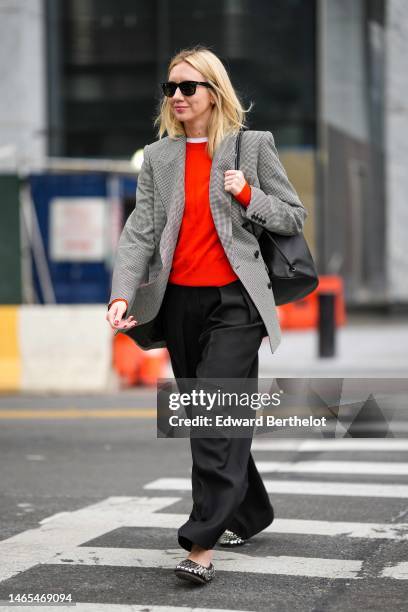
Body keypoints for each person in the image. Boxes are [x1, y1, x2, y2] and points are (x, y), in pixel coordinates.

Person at [106, 45, 308, 585]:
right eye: (170, 87)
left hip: (237, 301)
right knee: (212, 415)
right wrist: (124, 291)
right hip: (180, 305)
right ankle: (251, 510)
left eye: (187, 87)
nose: (176, 96)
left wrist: (247, 194)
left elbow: (293, 215)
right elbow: (140, 232)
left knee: (214, 414)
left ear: (213, 93)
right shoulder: (159, 158)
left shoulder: (252, 146)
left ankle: (201, 543)